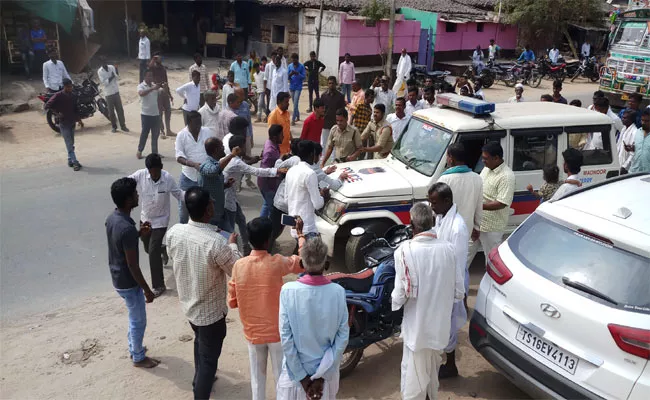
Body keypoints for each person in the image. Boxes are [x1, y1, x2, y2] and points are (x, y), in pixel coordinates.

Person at [165, 187, 241, 399]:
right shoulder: (216, 243)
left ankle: (199, 378)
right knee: (209, 361)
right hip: (211, 315)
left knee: (201, 345)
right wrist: (233, 246)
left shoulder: (174, 232)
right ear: (208, 209)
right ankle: (201, 386)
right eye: (212, 203)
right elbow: (237, 270)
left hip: (189, 307)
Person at [227, 217, 306, 400]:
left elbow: (232, 302)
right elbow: (303, 262)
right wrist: (300, 234)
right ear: (268, 240)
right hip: (277, 333)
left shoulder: (239, 266)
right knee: (281, 378)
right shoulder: (278, 262)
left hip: (253, 335)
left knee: (257, 379)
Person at [392, 203, 457, 400]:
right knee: (431, 373)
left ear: (412, 225)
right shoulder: (449, 249)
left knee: (414, 380)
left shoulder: (405, 251)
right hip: (439, 329)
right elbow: (459, 292)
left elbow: (399, 296)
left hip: (417, 331)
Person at [276, 236, 349, 400]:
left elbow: (286, 339)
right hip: (326, 378)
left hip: (295, 377)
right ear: (326, 264)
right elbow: (343, 337)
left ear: (302, 264)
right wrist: (322, 376)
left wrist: (302, 378)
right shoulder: (338, 292)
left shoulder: (288, 291)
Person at [106, 177, 160, 369]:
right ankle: (138, 357)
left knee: (133, 316)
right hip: (128, 281)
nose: (138, 195)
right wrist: (147, 289)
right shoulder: (126, 228)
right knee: (138, 320)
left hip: (117, 276)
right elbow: (133, 265)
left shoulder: (113, 219)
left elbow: (120, 244)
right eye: (135, 194)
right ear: (129, 200)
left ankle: (134, 348)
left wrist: (138, 235)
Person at [428, 183, 469, 380]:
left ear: (446, 201)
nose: (431, 206)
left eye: (434, 202)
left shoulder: (457, 227)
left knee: (449, 326)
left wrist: (454, 294)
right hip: (440, 281)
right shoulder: (441, 216)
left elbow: (458, 265)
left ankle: (451, 365)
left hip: (450, 285)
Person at [128, 153, 182, 296]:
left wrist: (193, 197)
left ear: (161, 168)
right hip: (145, 219)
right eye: (151, 171)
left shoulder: (167, 178)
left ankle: (158, 285)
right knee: (148, 247)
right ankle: (162, 249)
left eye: (157, 171)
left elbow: (178, 194)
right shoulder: (140, 175)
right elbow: (127, 182)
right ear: (147, 170)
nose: (154, 174)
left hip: (161, 220)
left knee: (152, 252)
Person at [224, 134, 284, 254]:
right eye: (244, 146)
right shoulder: (236, 162)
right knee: (229, 229)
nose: (246, 148)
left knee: (241, 220)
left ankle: (246, 247)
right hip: (227, 200)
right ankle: (230, 252)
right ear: (238, 148)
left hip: (231, 198)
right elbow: (256, 171)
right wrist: (276, 171)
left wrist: (256, 159)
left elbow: (247, 164)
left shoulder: (232, 159)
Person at [467, 142, 515, 265]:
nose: (483, 161)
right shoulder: (487, 169)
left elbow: (501, 203)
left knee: (492, 262)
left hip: (492, 227)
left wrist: (478, 206)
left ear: (496, 158)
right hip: (477, 222)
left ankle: (491, 284)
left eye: (486, 158)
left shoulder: (506, 176)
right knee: (464, 256)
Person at [437, 143, 483, 264]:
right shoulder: (476, 178)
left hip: (446, 231)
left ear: (450, 158)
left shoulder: (444, 179)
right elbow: (479, 206)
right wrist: (477, 227)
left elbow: (437, 209)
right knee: (461, 266)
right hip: (466, 231)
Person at [175, 111, 212, 224]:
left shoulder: (207, 131)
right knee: (184, 207)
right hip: (188, 177)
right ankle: (182, 229)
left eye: (200, 123)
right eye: (196, 123)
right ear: (188, 123)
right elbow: (179, 157)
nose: (198, 126)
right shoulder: (181, 135)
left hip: (205, 176)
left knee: (205, 207)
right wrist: (193, 164)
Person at [285, 140, 327, 237]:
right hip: (307, 228)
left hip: (294, 224)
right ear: (312, 154)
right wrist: (323, 196)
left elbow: (286, 199)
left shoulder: (291, 170)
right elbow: (318, 204)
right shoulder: (309, 173)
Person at [199, 137, 240, 231]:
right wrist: (231, 155)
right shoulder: (206, 164)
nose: (224, 148)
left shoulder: (215, 163)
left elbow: (213, 185)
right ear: (216, 150)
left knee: (229, 235)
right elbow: (213, 171)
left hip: (219, 211)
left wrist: (225, 185)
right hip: (210, 214)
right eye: (222, 146)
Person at [44, 78, 82, 171]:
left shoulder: (73, 95)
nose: (70, 88)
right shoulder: (58, 95)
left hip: (72, 122)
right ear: (64, 87)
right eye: (68, 87)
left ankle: (70, 160)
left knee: (71, 143)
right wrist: (57, 114)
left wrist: (79, 120)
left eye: (71, 87)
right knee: (69, 143)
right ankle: (75, 162)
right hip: (63, 123)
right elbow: (47, 106)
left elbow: (75, 109)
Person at [259, 125, 286, 218]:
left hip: (270, 184)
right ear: (275, 137)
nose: (283, 137)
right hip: (268, 185)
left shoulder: (272, 144)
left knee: (267, 204)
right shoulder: (269, 151)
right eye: (281, 135)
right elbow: (264, 170)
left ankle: (260, 223)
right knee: (272, 210)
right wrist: (279, 171)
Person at [98, 57, 129, 133]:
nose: (104, 64)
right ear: (101, 63)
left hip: (116, 91)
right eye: (103, 62)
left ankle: (123, 126)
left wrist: (116, 70)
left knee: (120, 110)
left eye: (105, 62)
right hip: (108, 93)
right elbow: (104, 83)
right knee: (111, 112)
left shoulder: (111, 67)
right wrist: (112, 76)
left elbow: (117, 77)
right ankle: (114, 126)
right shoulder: (100, 71)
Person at [137, 70, 161, 160]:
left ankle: (155, 154)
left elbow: (161, 94)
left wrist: (164, 87)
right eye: (149, 76)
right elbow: (141, 94)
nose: (150, 78)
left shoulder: (154, 85)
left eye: (151, 76)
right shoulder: (141, 86)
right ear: (145, 77)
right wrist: (152, 89)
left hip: (155, 114)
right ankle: (139, 151)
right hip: (146, 114)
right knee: (144, 134)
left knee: (155, 135)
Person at [149, 52, 175, 137]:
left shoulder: (163, 68)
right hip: (157, 91)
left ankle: (168, 130)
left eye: (160, 58)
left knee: (168, 111)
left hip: (165, 90)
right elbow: (149, 67)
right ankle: (162, 131)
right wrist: (153, 59)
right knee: (159, 112)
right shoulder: (153, 67)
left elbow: (166, 81)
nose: (160, 59)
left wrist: (170, 94)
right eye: (158, 58)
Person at [320, 76, 347, 156]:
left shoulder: (340, 96)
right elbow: (321, 109)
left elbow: (342, 110)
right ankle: (323, 162)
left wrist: (342, 123)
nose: (331, 85)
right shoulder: (323, 95)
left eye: (332, 83)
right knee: (324, 143)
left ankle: (333, 162)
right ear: (327, 84)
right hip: (325, 123)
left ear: (336, 84)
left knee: (335, 144)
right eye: (329, 83)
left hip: (336, 124)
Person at [624, 108, 650, 173]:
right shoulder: (638, 132)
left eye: (646, 121)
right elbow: (639, 149)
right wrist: (632, 148)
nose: (643, 123)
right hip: (634, 172)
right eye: (642, 120)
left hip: (647, 174)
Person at [287, 53, 306, 125]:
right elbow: (287, 77)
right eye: (292, 59)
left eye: (295, 59)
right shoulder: (290, 66)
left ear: (297, 59)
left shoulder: (301, 66)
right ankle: (297, 115)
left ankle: (293, 119)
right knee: (294, 103)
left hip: (298, 87)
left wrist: (297, 73)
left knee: (295, 103)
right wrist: (291, 74)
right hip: (292, 86)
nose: (294, 60)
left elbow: (304, 77)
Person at [618, 109, 639, 174]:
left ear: (631, 120)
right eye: (622, 117)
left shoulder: (635, 132)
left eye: (625, 118)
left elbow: (633, 153)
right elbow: (618, 145)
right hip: (619, 162)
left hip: (626, 168)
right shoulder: (623, 128)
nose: (622, 119)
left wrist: (625, 167)